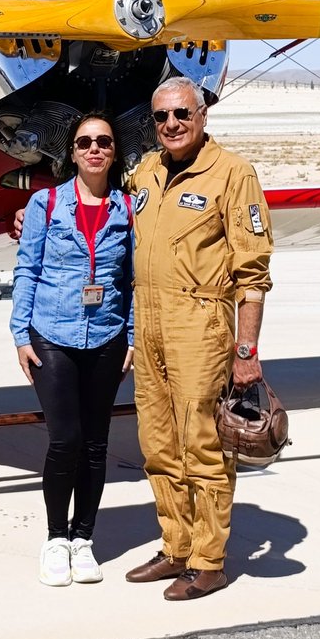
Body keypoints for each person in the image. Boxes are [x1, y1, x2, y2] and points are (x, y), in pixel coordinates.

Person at [124, 76, 273, 600]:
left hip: (201, 323)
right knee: (158, 444)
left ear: (203, 114)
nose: (171, 125)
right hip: (149, 323)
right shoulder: (145, 171)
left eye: (182, 114)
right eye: (161, 116)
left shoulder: (233, 174)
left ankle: (209, 561)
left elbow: (252, 274)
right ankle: (176, 547)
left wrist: (246, 352)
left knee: (202, 445)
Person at [11, 113, 135, 587]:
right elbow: (27, 268)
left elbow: (133, 279)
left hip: (105, 336)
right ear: (72, 152)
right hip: (52, 333)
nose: (94, 149)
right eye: (85, 142)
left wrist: (130, 336)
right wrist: (21, 334)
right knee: (65, 441)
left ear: (115, 151)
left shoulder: (127, 208)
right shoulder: (45, 204)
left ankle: (85, 539)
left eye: (104, 141)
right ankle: (55, 538)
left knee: (97, 444)